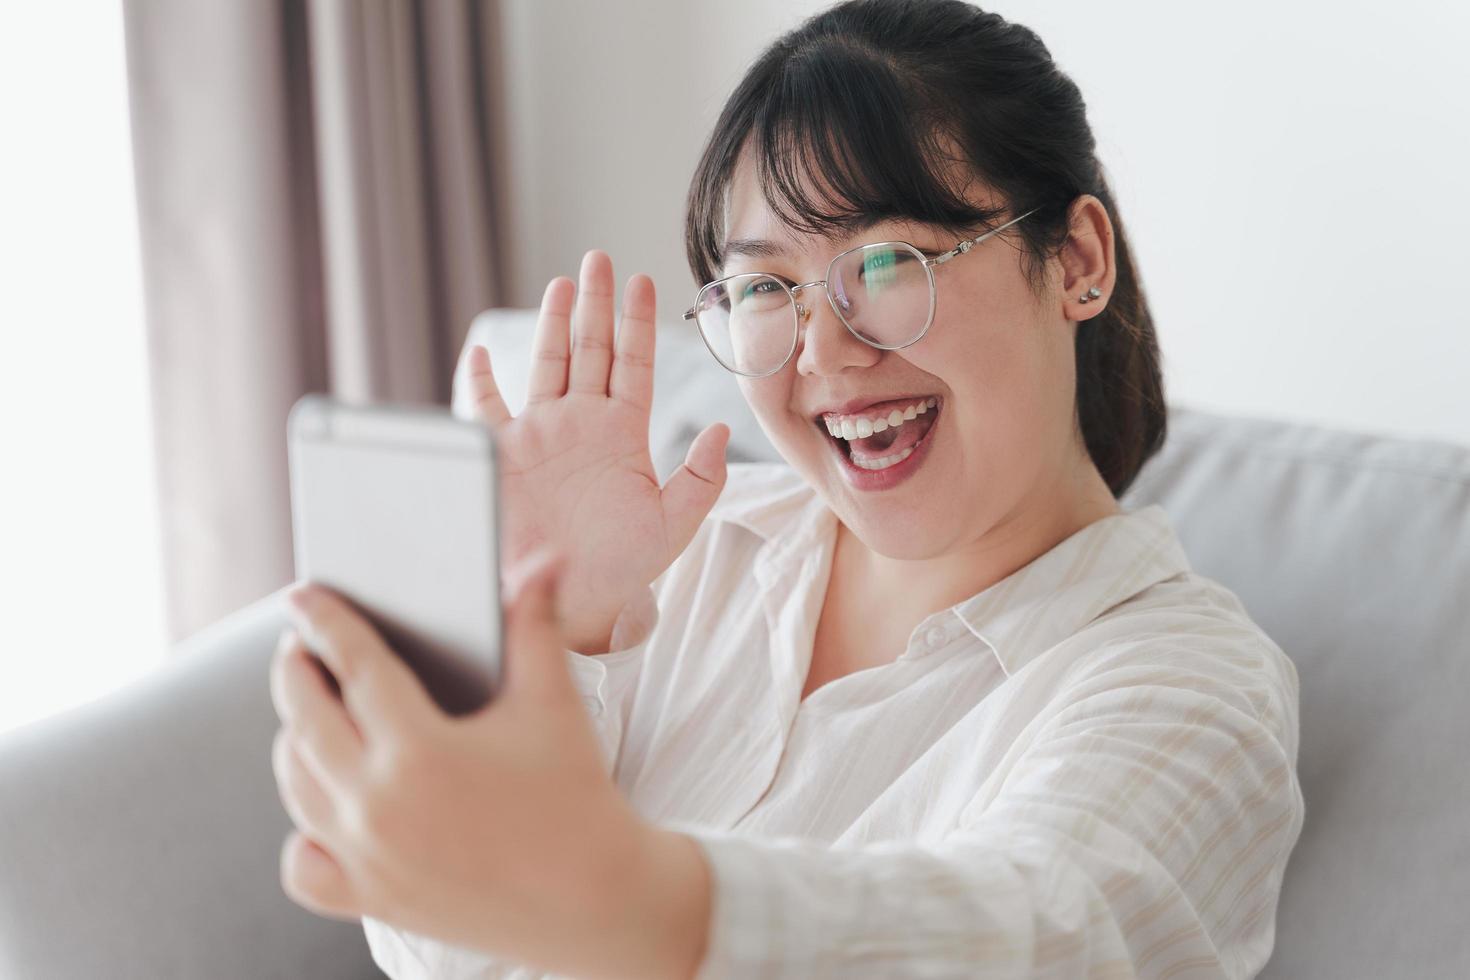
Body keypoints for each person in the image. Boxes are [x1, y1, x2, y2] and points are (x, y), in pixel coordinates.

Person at [268, 1, 1305, 977]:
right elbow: (446, 955)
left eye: (888, 261)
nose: (826, 353)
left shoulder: (1192, 683)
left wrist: (622, 891)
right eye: (768, 287)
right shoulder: (676, 553)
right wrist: (561, 629)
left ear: (1076, 258)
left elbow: (1033, 933)